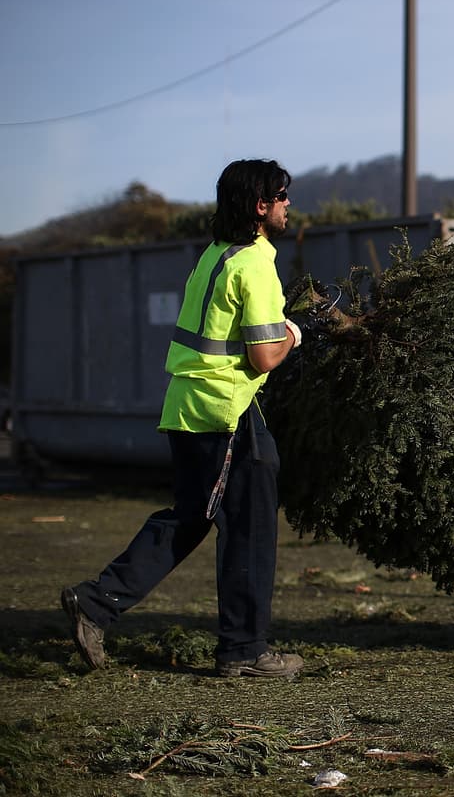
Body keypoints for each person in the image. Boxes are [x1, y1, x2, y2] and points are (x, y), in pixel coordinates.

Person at [61, 159, 305, 678]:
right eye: (283, 196)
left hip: (191, 407)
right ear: (261, 206)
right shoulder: (255, 263)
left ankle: (96, 602)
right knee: (249, 527)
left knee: (192, 516)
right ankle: (244, 650)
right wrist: (294, 332)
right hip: (226, 412)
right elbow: (264, 357)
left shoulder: (216, 254)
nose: (289, 205)